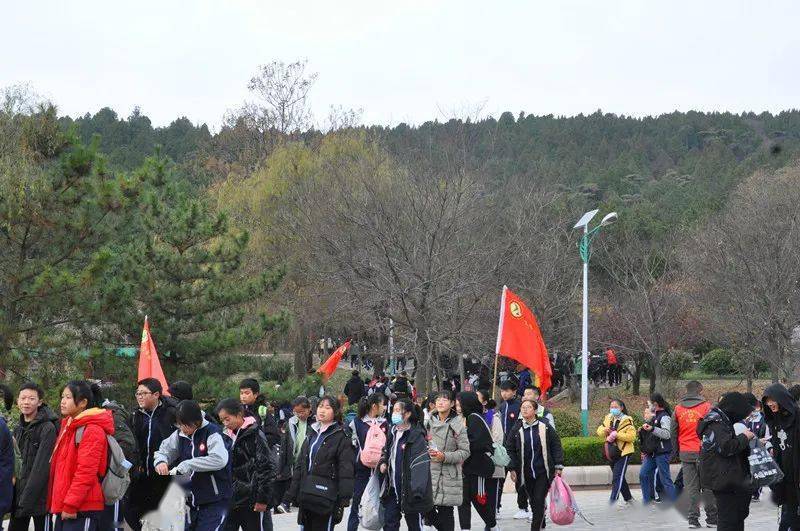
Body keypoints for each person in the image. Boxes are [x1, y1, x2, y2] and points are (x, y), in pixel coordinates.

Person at [154, 400, 232, 531]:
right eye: (179, 425)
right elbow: (164, 450)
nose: (182, 429)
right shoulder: (180, 434)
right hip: (190, 501)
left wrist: (188, 464)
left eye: (185, 425)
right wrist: (161, 461)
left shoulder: (212, 433)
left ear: (196, 422)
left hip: (215, 500)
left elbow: (220, 459)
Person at [48, 381, 113, 531]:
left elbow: (86, 473)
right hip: (66, 505)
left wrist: (71, 505)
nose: (62, 401)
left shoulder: (92, 430)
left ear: (83, 402)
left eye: (68, 397)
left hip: (81, 507)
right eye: (62, 397)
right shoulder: (69, 425)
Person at [287, 395, 354, 530]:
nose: (322, 410)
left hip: (326, 496)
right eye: (320, 406)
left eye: (327, 408)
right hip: (308, 492)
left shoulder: (341, 436)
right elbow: (301, 464)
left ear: (335, 412)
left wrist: (344, 497)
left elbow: (346, 467)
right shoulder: (312, 432)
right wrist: (291, 493)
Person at [697, 392, 755, 531]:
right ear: (733, 409)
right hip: (723, 479)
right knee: (728, 519)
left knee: (735, 517)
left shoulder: (720, 420)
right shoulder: (716, 423)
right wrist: (744, 437)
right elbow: (726, 447)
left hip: (725, 477)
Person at [505, 398, 564, 530]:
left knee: (538, 498)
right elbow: (509, 448)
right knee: (533, 500)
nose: (525, 409)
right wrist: (512, 468)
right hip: (525, 473)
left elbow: (555, 445)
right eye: (523, 407)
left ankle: (535, 527)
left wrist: (558, 465)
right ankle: (541, 521)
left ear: (535, 410)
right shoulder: (517, 428)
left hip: (543, 471)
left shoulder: (545, 426)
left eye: (528, 407)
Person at [216, 399, 274, 531]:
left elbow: (267, 467)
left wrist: (262, 499)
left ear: (238, 414)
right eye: (222, 420)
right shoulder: (225, 436)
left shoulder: (254, 434)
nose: (225, 423)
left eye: (227, 419)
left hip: (251, 501)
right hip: (231, 499)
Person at [127, 378, 178, 531]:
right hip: (142, 475)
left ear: (156, 395)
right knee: (132, 512)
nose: (139, 397)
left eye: (143, 393)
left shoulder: (171, 413)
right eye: (137, 393)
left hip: (165, 476)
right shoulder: (136, 415)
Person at [378, 397, 433, 531]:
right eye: (394, 410)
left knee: (414, 525)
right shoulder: (392, 431)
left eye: (397, 410)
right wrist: (383, 462)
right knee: (389, 523)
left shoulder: (416, 435)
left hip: (410, 491)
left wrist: (417, 491)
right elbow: (385, 451)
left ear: (407, 414)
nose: (394, 414)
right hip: (392, 489)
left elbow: (420, 464)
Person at [10, 382, 58, 531]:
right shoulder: (18, 428)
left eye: (31, 398)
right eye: (23, 398)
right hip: (19, 497)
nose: (26, 402)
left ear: (40, 402)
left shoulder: (47, 428)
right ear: (18, 401)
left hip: (40, 499)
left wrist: (25, 500)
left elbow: (41, 468)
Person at [672, 380, 717, 528]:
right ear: (700, 390)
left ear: (686, 390)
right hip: (704, 452)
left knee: (691, 488)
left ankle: (693, 520)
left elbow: (673, 432)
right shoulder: (706, 407)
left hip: (686, 452)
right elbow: (713, 430)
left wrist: (676, 451)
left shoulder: (678, 409)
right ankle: (712, 519)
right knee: (708, 486)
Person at [424, 391, 470, 531]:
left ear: (451, 404)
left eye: (444, 400)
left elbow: (465, 452)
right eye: (438, 400)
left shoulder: (458, 426)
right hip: (429, 471)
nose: (440, 402)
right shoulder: (427, 423)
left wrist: (445, 457)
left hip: (448, 474)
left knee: (446, 512)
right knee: (426, 508)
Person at [456, 391, 499, 531]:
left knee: (479, 499)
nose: (457, 406)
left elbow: (479, 443)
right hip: (467, 467)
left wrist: (461, 445)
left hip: (478, 467)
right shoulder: (468, 418)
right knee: (463, 500)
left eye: (459, 403)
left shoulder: (475, 418)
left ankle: (492, 524)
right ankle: (465, 528)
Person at [762, 383, 800, 530]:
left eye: (772, 399)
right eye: (767, 400)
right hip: (785, 477)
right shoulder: (775, 421)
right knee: (790, 515)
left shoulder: (797, 417)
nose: (770, 403)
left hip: (797, 475)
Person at [347, 393, 387, 531]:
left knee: (382, 503)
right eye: (383, 404)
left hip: (381, 469)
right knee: (357, 503)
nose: (385, 407)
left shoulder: (385, 423)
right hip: (363, 469)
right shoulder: (356, 423)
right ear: (374, 406)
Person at [276, 396, 314, 514]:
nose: (300, 415)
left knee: (300, 481)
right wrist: (281, 466)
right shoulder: (292, 423)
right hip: (295, 458)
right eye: (297, 412)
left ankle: (288, 503)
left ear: (309, 409)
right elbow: (285, 445)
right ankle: (287, 503)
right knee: (295, 480)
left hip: (308, 458)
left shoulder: (315, 422)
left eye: (302, 412)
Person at [596, 398, 636, 506]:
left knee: (617, 477)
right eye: (611, 407)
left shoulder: (627, 420)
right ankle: (629, 499)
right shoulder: (608, 418)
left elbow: (632, 437)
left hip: (624, 452)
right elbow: (599, 431)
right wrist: (605, 430)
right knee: (619, 476)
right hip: (611, 452)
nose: (613, 409)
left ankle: (613, 501)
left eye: (616, 407)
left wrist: (617, 434)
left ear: (621, 408)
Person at [498, 381, 529, 520]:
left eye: (507, 390)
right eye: (502, 391)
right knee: (499, 478)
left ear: (514, 391)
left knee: (518, 478)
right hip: (502, 449)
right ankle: (496, 507)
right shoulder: (502, 406)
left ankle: (523, 507)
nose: (504, 393)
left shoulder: (519, 407)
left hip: (516, 448)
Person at [638, 393, 677, 504]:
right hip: (652, 453)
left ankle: (674, 502)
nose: (648, 406)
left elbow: (667, 434)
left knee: (665, 479)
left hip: (662, 452)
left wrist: (652, 429)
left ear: (655, 404)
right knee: (643, 474)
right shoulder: (655, 416)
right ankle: (647, 500)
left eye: (649, 404)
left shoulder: (664, 416)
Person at [742, 393, 770, 502]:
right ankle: (748, 491)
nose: (755, 409)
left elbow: (767, 434)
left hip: (759, 447)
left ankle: (755, 492)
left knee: (757, 470)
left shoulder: (764, 419)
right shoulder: (745, 419)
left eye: (757, 407)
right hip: (746, 447)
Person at [239, 378, 281, 445]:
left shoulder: (262, 411)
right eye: (241, 393)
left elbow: (274, 436)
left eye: (247, 393)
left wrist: (254, 443)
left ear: (255, 394)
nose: (243, 396)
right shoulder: (238, 411)